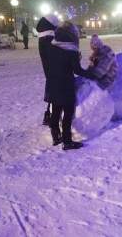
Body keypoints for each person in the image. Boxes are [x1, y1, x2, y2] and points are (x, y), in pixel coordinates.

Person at [47, 21, 96, 150]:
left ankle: (55, 136)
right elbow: (77, 70)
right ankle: (67, 141)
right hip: (65, 85)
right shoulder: (71, 51)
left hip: (52, 83)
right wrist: (91, 74)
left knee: (56, 110)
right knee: (68, 113)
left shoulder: (52, 47)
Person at [36, 15, 59, 126]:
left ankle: (49, 116)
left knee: (54, 96)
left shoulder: (43, 37)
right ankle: (52, 121)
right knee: (56, 98)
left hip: (50, 71)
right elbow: (54, 57)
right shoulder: (49, 38)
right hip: (55, 72)